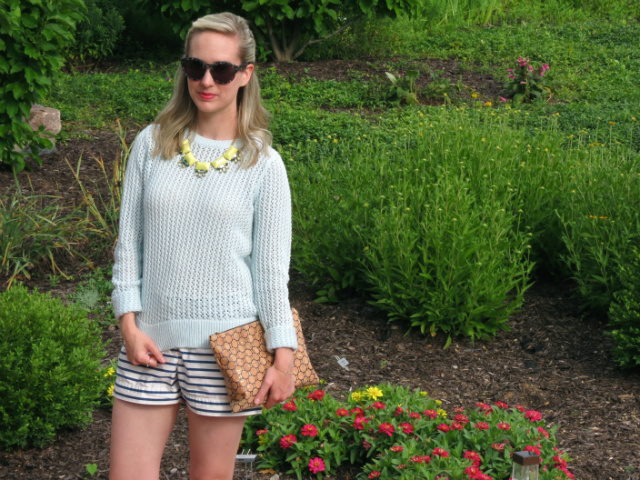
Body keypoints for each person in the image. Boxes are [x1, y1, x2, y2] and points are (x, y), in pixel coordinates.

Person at [109, 12, 298, 480]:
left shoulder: (265, 165)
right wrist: (128, 325)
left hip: (226, 347)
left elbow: (271, 272)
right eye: (195, 67)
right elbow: (128, 245)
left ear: (246, 75)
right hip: (149, 341)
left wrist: (284, 356)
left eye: (221, 70)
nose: (206, 81)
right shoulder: (151, 145)